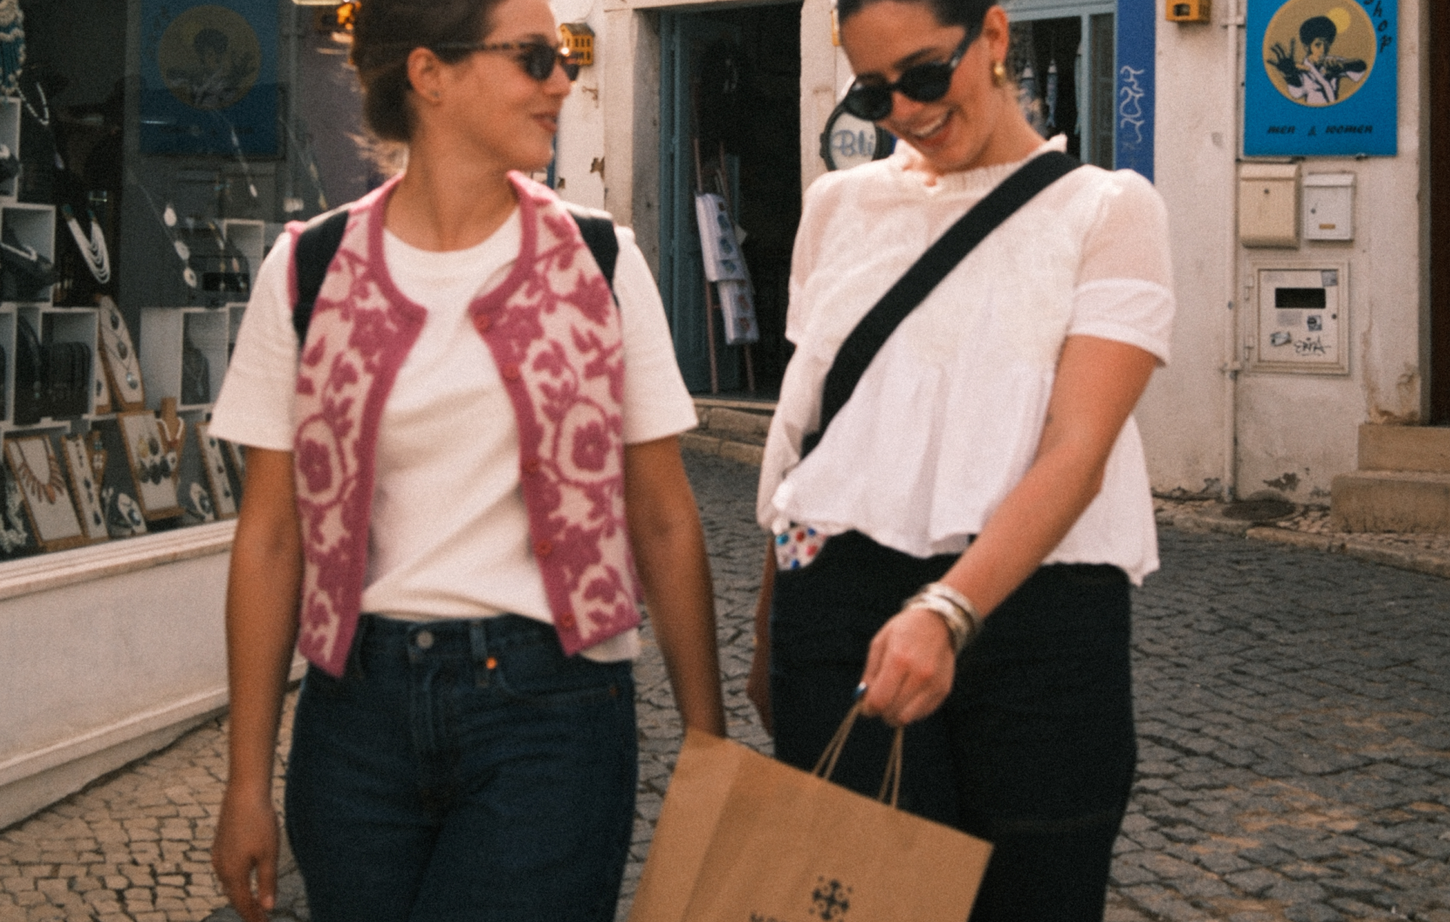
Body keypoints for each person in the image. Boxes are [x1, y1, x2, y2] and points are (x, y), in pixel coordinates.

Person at [208, 1, 726, 920]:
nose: (563, 80)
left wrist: (706, 739)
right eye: (534, 58)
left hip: (552, 711)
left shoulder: (603, 261)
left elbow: (661, 513)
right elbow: (270, 536)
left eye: (566, 54)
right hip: (353, 721)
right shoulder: (307, 271)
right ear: (429, 74)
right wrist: (247, 782)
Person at [747, 0, 1174, 919]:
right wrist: (772, 618)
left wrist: (947, 610)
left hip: (1039, 612)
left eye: (925, 75)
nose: (904, 108)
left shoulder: (1108, 210)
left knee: (1036, 894)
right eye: (873, 91)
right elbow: (813, 430)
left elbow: (1078, 447)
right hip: (836, 608)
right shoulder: (838, 208)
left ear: (993, 35)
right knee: (860, 898)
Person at [1268, 15, 1368, 106]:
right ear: (1306, 47)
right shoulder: (1300, 70)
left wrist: (1343, 67)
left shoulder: (1332, 62)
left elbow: (1361, 66)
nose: (1323, 50)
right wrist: (1289, 74)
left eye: (1327, 44)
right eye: (1318, 44)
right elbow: (1296, 93)